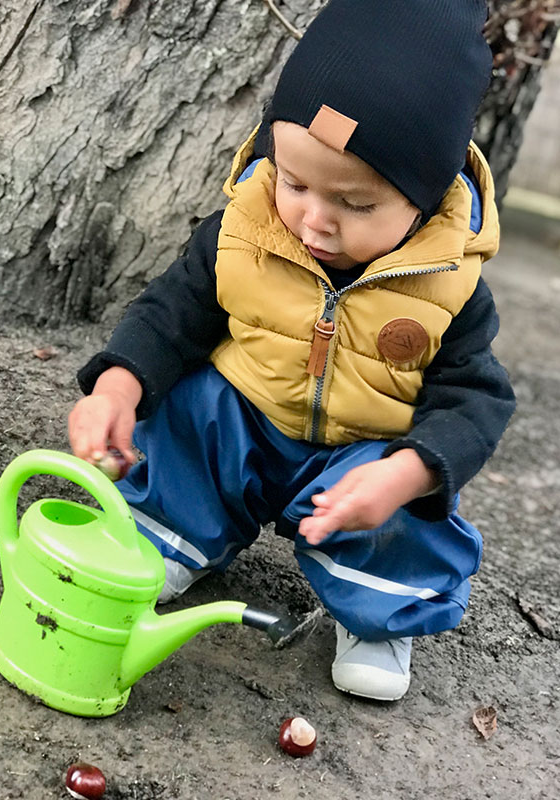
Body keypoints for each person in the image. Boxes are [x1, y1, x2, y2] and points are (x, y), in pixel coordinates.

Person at [69, 0, 516, 701]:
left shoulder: (449, 286)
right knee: (192, 412)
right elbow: (171, 314)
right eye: (295, 182)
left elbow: (475, 401)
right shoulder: (243, 231)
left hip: (359, 463)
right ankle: (166, 534)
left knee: (411, 513)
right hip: (246, 418)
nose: (314, 217)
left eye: (355, 204)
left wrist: (405, 474)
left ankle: (376, 613)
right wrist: (118, 386)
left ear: (424, 201)